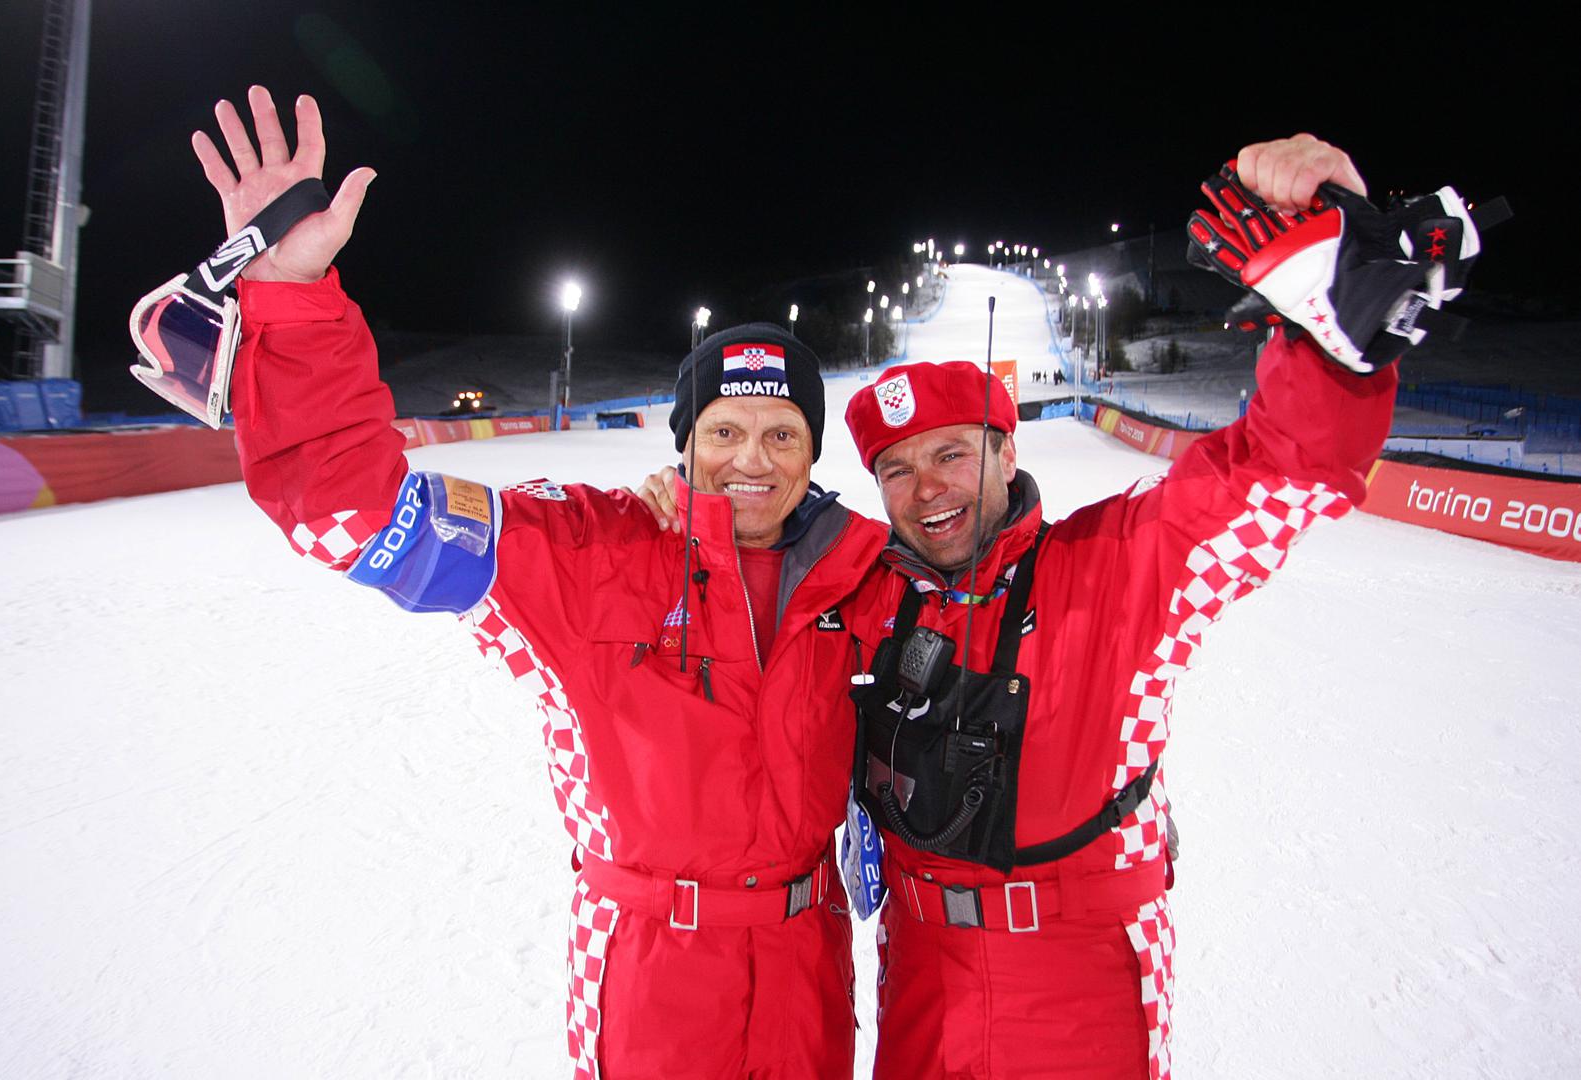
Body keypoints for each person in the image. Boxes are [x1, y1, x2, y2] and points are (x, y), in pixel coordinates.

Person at [192, 85, 885, 1079]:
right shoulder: (586, 548)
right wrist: (293, 299)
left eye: (782, 434)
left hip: (808, 975)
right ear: (683, 443)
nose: (751, 459)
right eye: (722, 431)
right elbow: (348, 508)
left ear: (812, 452)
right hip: (655, 977)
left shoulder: (858, 577)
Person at [838, 136, 1414, 1080]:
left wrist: (1328, 323)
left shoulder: (1114, 566)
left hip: (1077, 984)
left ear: (1006, 456)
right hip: (917, 984)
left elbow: (1286, 469)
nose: (926, 488)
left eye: (951, 454)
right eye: (896, 469)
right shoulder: (866, 595)